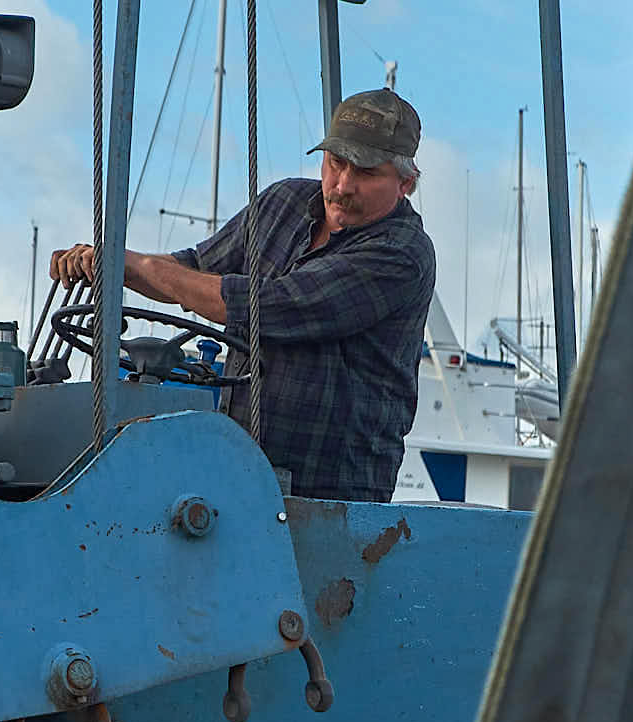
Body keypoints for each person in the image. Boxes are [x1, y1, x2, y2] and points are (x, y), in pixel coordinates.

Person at [50, 89, 436, 502]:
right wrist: (103, 263)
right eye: (335, 164)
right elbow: (195, 267)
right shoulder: (283, 202)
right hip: (238, 470)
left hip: (333, 495)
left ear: (406, 183)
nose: (342, 185)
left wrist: (140, 267)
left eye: (365, 173)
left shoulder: (402, 254)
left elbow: (272, 307)